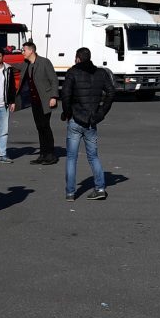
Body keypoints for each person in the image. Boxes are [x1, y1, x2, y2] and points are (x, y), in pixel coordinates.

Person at [59, 45, 115, 201]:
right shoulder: (100, 73)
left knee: (71, 157)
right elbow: (111, 92)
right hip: (91, 120)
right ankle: (100, 188)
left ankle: (70, 192)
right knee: (93, 156)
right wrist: (101, 113)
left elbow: (65, 94)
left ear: (78, 58)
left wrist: (67, 113)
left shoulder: (73, 72)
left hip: (76, 119)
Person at [12, 41, 58, 163]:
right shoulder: (27, 64)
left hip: (45, 100)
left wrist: (54, 97)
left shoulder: (44, 62)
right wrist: (3, 64)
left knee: (45, 127)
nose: (23, 52)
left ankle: (50, 154)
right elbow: (16, 66)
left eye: (24, 50)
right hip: (35, 102)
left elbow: (54, 80)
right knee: (39, 127)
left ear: (31, 51)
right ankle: (43, 154)